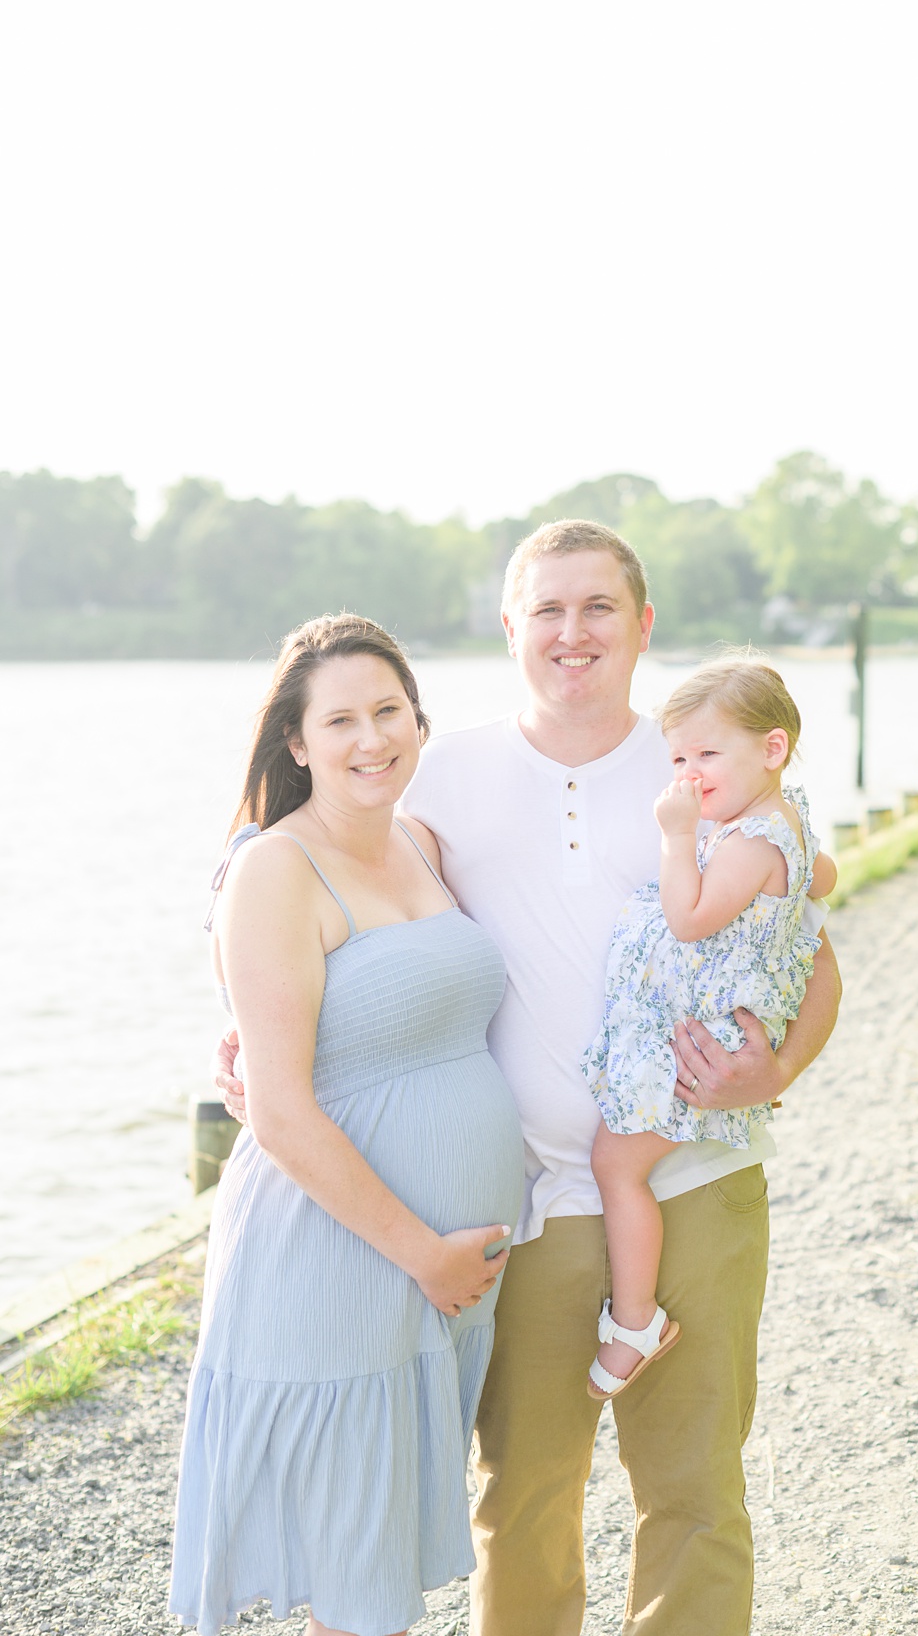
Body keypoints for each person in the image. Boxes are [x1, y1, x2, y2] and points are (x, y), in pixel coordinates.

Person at [216, 521, 843, 1634]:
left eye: (598, 606)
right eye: (546, 608)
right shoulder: (440, 773)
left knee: (696, 1494)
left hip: (697, 1178)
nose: (572, 631)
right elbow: (341, 908)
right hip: (524, 1202)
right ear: (509, 627)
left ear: (643, 624)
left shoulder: (703, 765)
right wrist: (247, 1043)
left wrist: (775, 1068)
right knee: (525, 1498)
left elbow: (817, 950)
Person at [174, 615, 522, 1636]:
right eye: (341, 719)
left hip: (438, 1276)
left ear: (419, 721)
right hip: (344, 1257)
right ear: (297, 741)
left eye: (388, 711)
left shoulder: (418, 841)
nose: (371, 738)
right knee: (356, 1586)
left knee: (378, 1575)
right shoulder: (279, 868)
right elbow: (279, 1109)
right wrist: (425, 1254)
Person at [581, 657, 835, 1397]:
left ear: (772, 749)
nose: (688, 775)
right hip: (705, 1023)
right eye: (678, 759)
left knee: (616, 1166)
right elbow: (824, 879)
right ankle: (634, 1313)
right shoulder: (781, 819)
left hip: (702, 1041)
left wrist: (677, 835)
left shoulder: (749, 840)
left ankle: (635, 1319)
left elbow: (690, 920)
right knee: (622, 1164)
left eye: (707, 755)